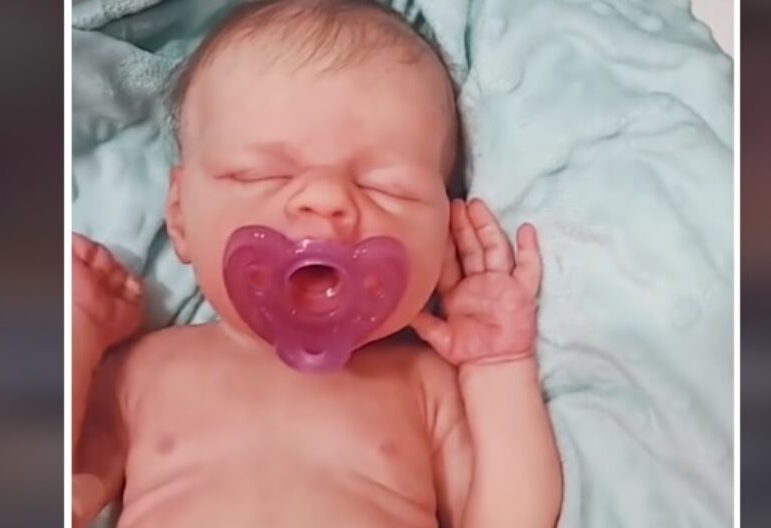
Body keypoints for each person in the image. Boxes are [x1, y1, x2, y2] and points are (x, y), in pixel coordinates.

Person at [72, 1, 562, 526]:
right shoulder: (142, 371)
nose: (325, 199)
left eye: (386, 188)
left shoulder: (424, 386)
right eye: (261, 175)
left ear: (443, 235)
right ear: (180, 215)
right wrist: (77, 332)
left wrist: (497, 370)